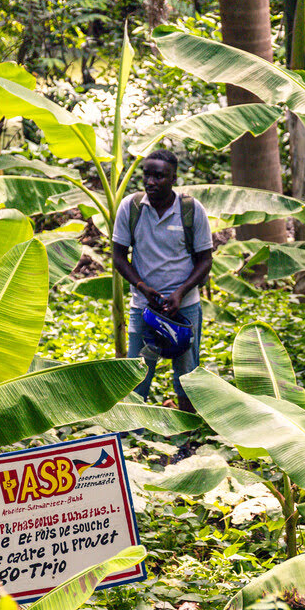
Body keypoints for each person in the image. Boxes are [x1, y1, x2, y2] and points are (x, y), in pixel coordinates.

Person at [111, 149, 212, 413]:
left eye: (159, 176)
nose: (151, 182)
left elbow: (205, 260)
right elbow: (119, 257)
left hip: (184, 307)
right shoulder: (131, 208)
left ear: (173, 178)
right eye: (147, 175)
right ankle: (135, 433)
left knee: (187, 374)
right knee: (137, 373)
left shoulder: (191, 209)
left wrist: (180, 292)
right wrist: (142, 286)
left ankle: (188, 430)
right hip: (144, 307)